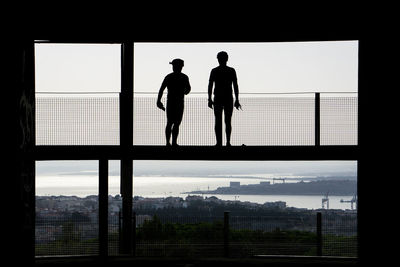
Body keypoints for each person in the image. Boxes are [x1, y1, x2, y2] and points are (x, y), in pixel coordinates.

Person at [208, 51, 241, 146]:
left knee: (218, 121)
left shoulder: (214, 71)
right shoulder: (231, 70)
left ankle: (219, 142)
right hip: (228, 98)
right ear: (227, 59)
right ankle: (227, 142)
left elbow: (210, 85)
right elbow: (235, 85)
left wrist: (209, 99)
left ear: (218, 59)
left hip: (218, 97)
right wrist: (237, 99)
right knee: (228, 121)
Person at [157, 58, 191, 146]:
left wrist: (158, 100)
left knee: (170, 122)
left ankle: (168, 142)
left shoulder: (169, 77)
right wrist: (184, 92)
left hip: (171, 102)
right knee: (176, 123)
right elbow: (188, 89)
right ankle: (173, 142)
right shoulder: (184, 77)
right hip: (179, 102)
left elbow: (161, 89)